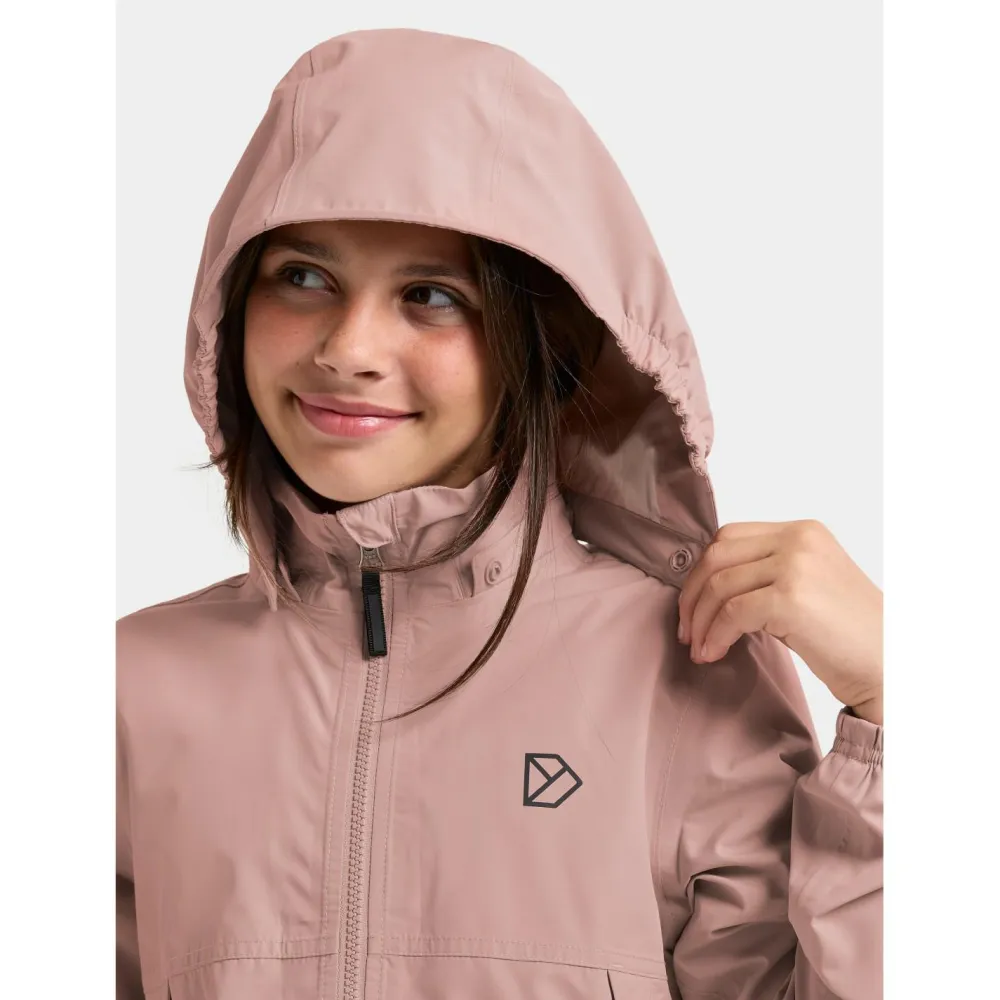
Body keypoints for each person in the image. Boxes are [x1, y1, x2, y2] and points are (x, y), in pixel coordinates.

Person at [116, 27, 883, 1000]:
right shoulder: (129, 690)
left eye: (431, 295)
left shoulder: (682, 671)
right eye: (303, 276)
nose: (347, 348)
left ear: (542, 342)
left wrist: (896, 710)